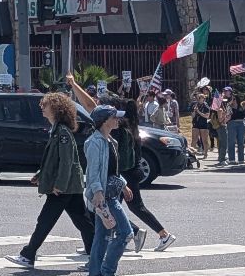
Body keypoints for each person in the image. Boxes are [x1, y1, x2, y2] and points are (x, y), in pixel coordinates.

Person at [65, 76, 174, 252]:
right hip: (125, 173)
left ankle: (130, 236)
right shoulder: (126, 123)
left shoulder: (114, 125)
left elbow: (90, 105)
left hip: (121, 174)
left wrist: (74, 84)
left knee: (105, 209)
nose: (99, 106)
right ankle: (150, 234)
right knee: (118, 208)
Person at [6, 92, 94, 269]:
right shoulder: (57, 130)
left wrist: (58, 185)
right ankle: (96, 254)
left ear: (55, 109)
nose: (42, 108)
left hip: (64, 186)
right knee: (82, 221)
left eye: (45, 105)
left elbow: (66, 161)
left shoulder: (62, 132)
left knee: (45, 221)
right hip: (70, 185)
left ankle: (28, 254)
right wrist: (40, 174)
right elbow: (53, 159)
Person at [82, 104, 134, 276]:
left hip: (109, 193)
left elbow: (111, 171)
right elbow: (93, 172)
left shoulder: (110, 141)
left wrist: (124, 184)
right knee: (125, 233)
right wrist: (97, 194)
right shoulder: (95, 142)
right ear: (105, 121)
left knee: (102, 236)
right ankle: (107, 273)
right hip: (104, 196)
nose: (117, 120)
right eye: (114, 117)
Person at [222, 87, 245, 165]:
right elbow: (227, 115)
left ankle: (241, 159)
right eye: (232, 99)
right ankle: (232, 159)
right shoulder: (229, 106)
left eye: (234, 99)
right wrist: (229, 105)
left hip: (241, 124)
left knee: (241, 142)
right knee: (231, 142)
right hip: (232, 124)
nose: (233, 100)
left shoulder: (242, 105)